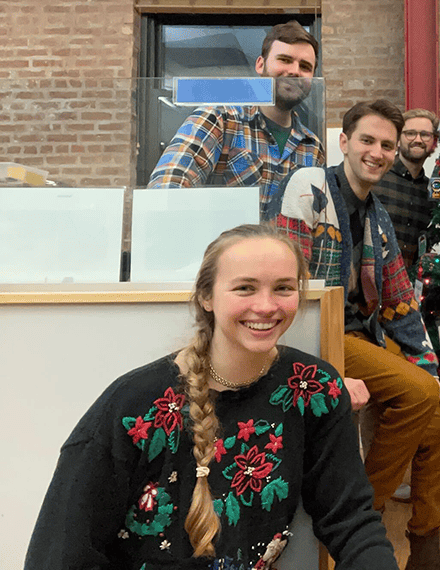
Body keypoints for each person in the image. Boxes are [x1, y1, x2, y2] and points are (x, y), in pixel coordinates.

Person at [25, 224, 397, 569]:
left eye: (283, 288)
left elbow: (350, 519)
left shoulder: (313, 388)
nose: (267, 306)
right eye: (245, 288)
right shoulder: (132, 405)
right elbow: (59, 553)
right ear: (206, 296)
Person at [268, 99, 440, 570]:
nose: (379, 151)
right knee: (415, 392)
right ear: (344, 142)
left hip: (361, 339)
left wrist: (433, 373)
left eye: (387, 145)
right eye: (368, 140)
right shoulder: (311, 187)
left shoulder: (377, 215)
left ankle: (425, 549)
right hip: (315, 337)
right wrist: (322, 367)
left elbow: (403, 304)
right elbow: (284, 284)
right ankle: (361, 515)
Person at [149, 21, 325, 214]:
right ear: (260, 64)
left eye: (305, 67)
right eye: (284, 59)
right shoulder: (220, 117)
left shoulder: (313, 148)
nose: (294, 71)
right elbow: (166, 188)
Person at [372, 108, 439, 271]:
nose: (418, 139)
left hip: (409, 285)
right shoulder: (376, 177)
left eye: (425, 134)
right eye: (410, 133)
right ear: (398, 140)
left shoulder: (432, 191)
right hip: (372, 281)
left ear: (434, 142)